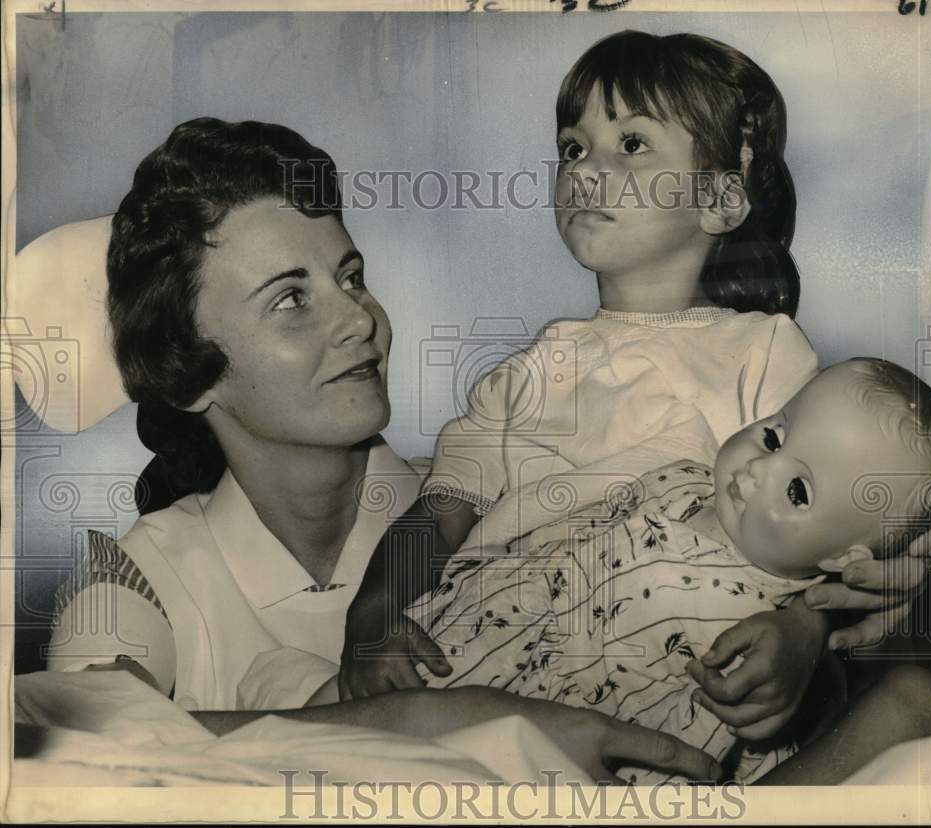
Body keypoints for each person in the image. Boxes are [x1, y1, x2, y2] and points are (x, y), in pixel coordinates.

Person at [42, 117, 722, 784]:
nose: (358, 318)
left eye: (351, 276)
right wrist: (434, 722)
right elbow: (62, 756)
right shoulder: (134, 580)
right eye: (290, 300)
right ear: (191, 373)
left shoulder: (501, 510)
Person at [339, 30, 931, 739]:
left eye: (632, 143)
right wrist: (371, 618)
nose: (583, 168)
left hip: (652, 685)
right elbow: (439, 515)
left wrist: (804, 631)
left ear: (721, 200)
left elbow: (819, 523)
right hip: (489, 654)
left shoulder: (762, 351)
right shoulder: (523, 374)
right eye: (573, 148)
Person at [403, 358, 931, 783]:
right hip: (471, 639)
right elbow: (553, 536)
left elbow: (666, 747)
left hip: (548, 737)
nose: (756, 469)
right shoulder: (682, 477)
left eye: (797, 489)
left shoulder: (745, 637)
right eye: (773, 435)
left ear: (845, 560)